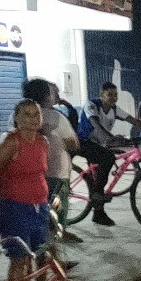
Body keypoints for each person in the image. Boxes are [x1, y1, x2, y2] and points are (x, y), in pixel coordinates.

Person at [0, 99, 50, 281]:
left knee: (41, 253)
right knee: (19, 259)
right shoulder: (11, 142)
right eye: (27, 114)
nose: (33, 119)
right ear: (16, 117)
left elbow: (40, 173)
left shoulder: (43, 141)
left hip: (40, 206)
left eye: (36, 114)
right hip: (14, 207)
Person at [78, 82, 141, 226]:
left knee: (102, 173)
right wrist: (110, 138)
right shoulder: (91, 105)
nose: (113, 97)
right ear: (102, 95)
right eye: (110, 94)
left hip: (99, 144)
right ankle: (97, 199)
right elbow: (95, 124)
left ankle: (98, 210)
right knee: (107, 159)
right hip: (84, 142)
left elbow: (135, 121)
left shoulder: (114, 109)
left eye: (115, 95)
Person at [23, 79, 82, 244]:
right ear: (46, 96)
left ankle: (41, 242)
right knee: (57, 210)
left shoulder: (17, 115)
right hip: (56, 172)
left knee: (37, 210)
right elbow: (73, 144)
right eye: (52, 92)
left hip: (31, 173)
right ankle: (55, 243)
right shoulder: (56, 117)